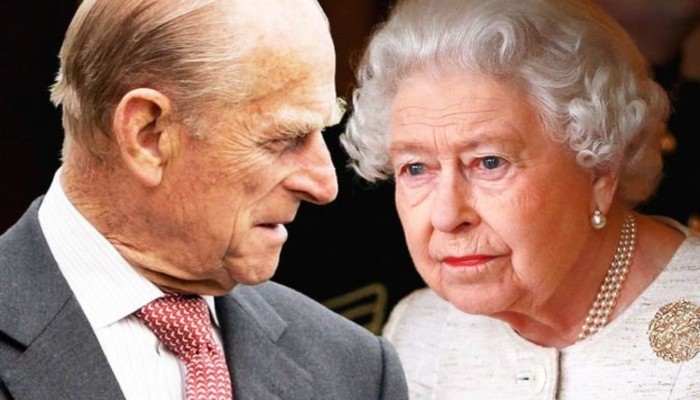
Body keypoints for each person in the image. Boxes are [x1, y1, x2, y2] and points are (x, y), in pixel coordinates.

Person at [0, 0, 409, 399]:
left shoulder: (353, 369)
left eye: (324, 131)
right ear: (148, 134)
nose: (324, 185)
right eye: (286, 138)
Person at [340, 0, 700, 398]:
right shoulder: (421, 332)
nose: (446, 215)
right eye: (416, 168)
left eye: (489, 162)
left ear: (600, 168)